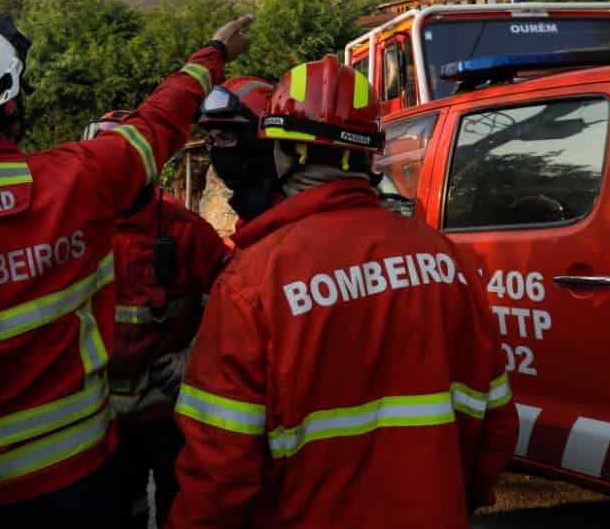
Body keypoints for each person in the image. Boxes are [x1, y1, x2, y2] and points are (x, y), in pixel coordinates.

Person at [0, 13, 252, 525]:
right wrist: (212, 54)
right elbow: (160, 120)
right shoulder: (79, 179)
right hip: (82, 481)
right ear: (12, 100)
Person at [170, 55, 517, 527]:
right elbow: (495, 422)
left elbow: (219, 466)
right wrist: (457, 498)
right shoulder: (447, 260)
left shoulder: (253, 282)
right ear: (370, 154)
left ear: (283, 152)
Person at [81, 110, 230, 529]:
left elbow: (240, 301)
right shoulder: (77, 232)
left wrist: (194, 356)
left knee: (179, 511)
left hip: (170, 417)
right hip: (102, 421)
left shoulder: (187, 233)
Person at [196, 75, 281, 230]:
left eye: (225, 137)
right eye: (212, 140)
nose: (217, 149)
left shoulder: (297, 220)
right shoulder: (250, 220)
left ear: (263, 139)